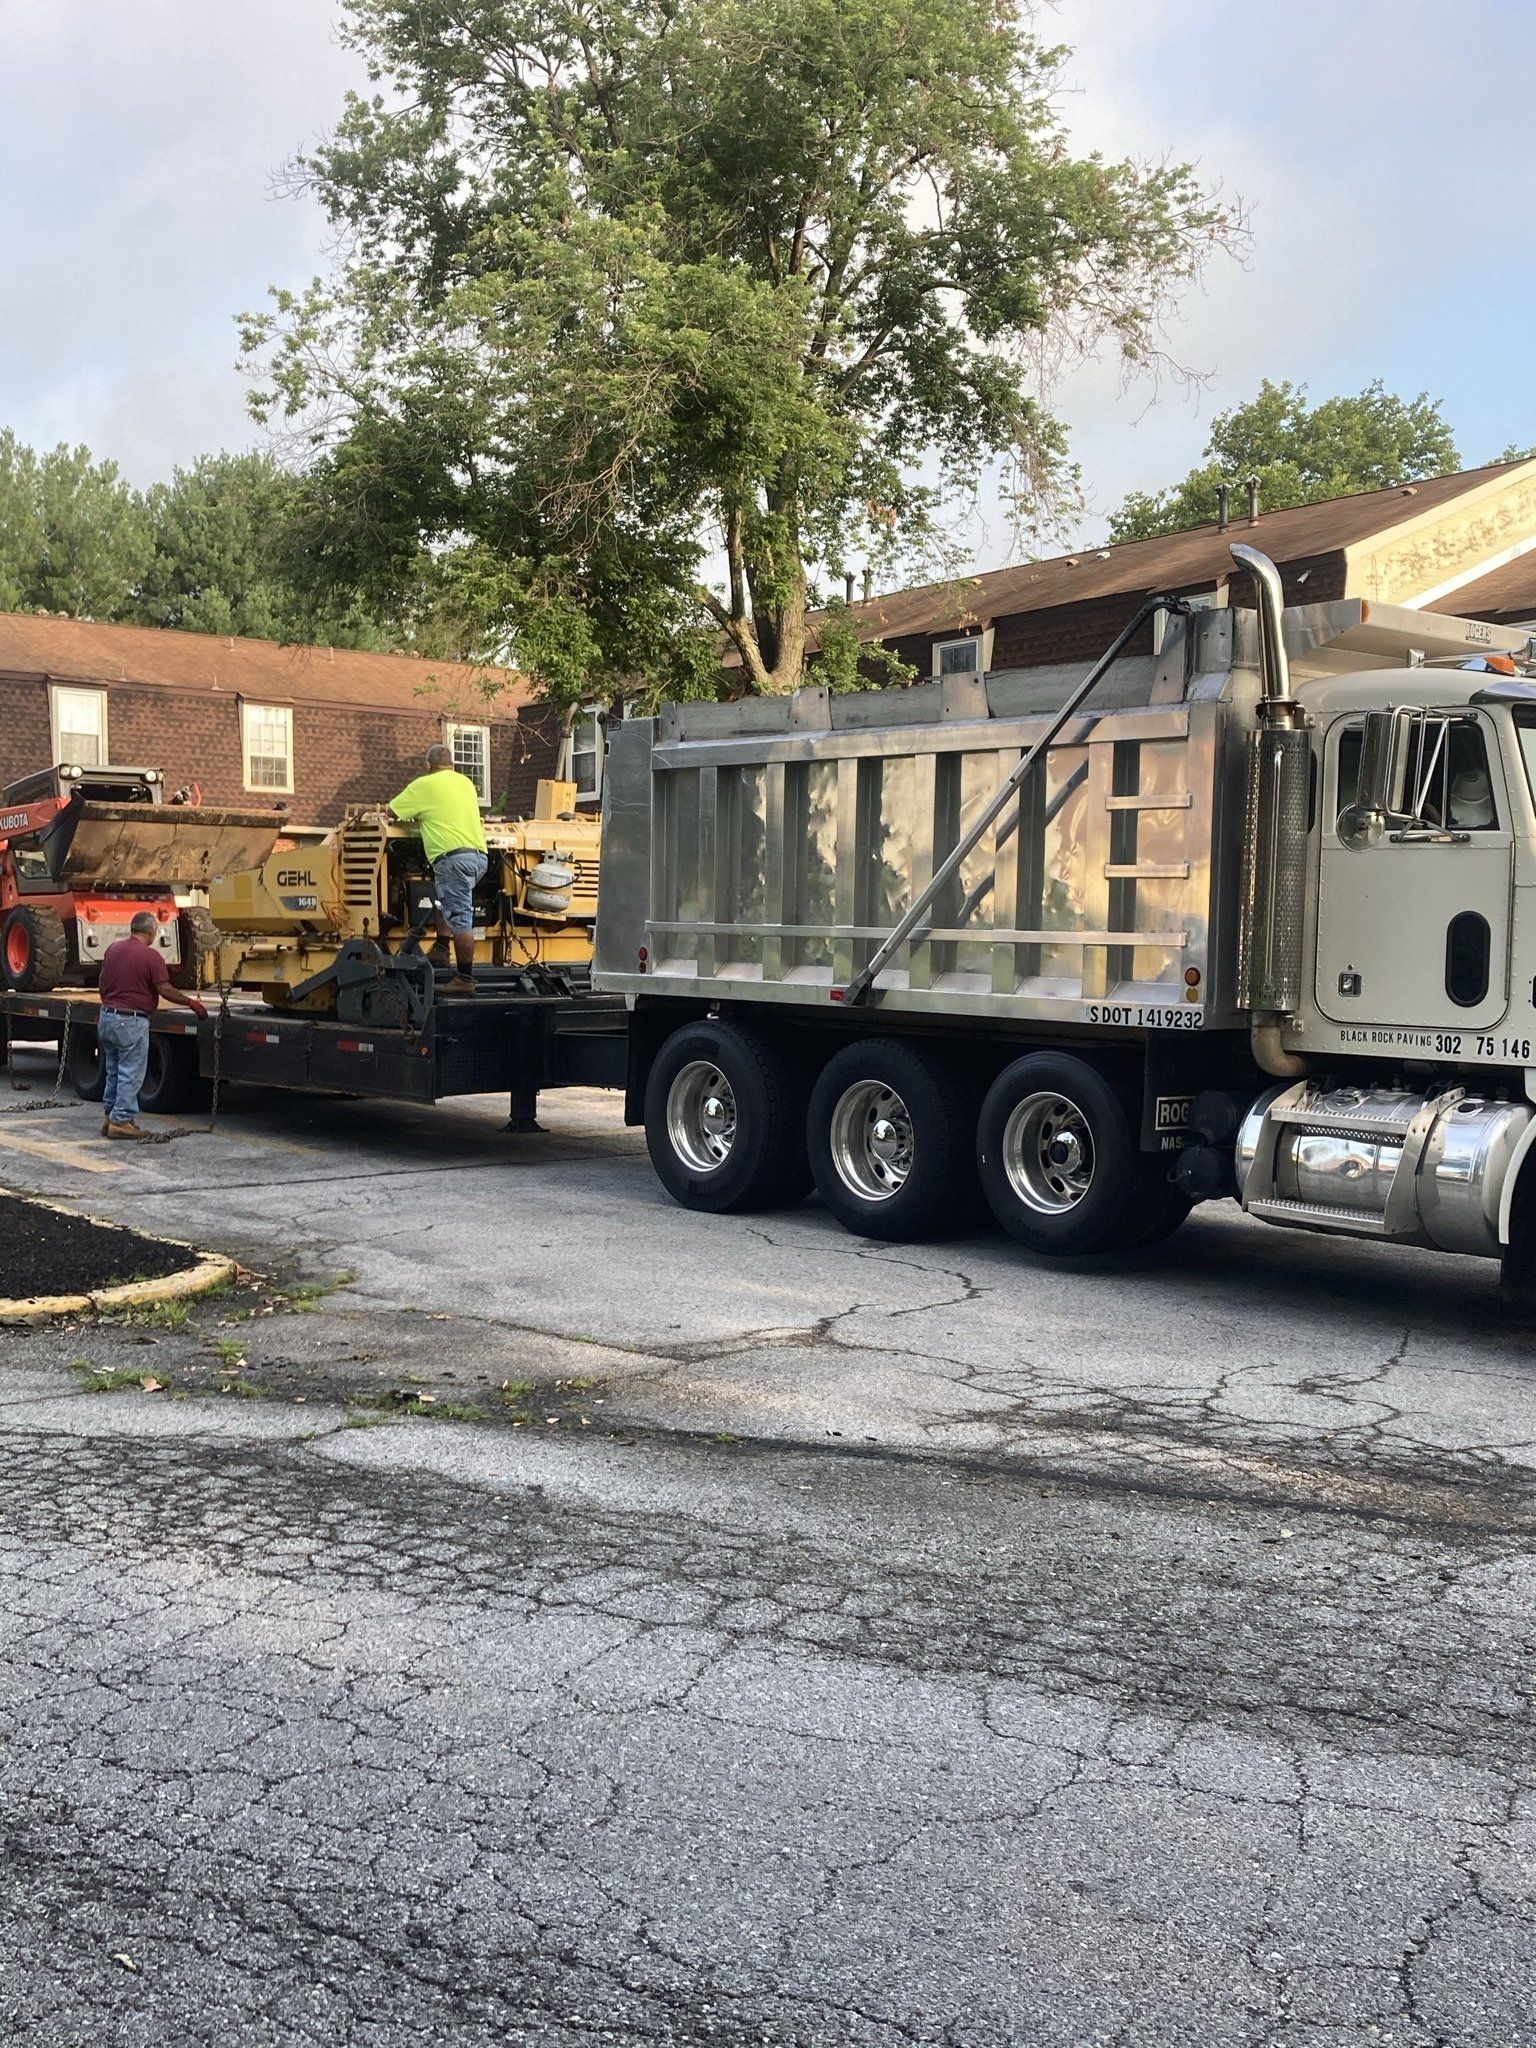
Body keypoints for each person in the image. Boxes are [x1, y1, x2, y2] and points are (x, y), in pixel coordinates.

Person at [97, 911, 209, 1140]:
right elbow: (164, 989)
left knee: (113, 1070)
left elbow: (102, 980)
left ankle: (109, 1116)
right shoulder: (151, 957)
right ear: (151, 931)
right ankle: (121, 1121)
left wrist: (109, 1001)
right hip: (131, 1021)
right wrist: (191, 1003)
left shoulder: (112, 950)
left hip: (107, 1016)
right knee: (131, 1072)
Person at [389, 743, 489, 997]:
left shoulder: (424, 785)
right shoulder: (466, 783)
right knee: (443, 898)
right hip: (478, 857)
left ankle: (465, 979)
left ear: (427, 765)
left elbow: (393, 810)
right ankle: (441, 950)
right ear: (452, 764)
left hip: (453, 860)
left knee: (460, 919)